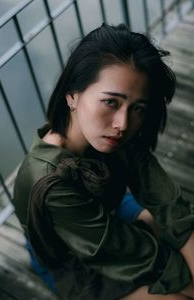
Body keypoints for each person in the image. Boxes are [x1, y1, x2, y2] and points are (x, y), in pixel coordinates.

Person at [13, 23, 194, 300]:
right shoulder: (48, 180)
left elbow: (170, 206)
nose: (123, 124)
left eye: (137, 108)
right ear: (72, 96)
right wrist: (184, 278)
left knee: (173, 226)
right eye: (111, 102)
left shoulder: (117, 133)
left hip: (111, 210)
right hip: (73, 258)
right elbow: (118, 248)